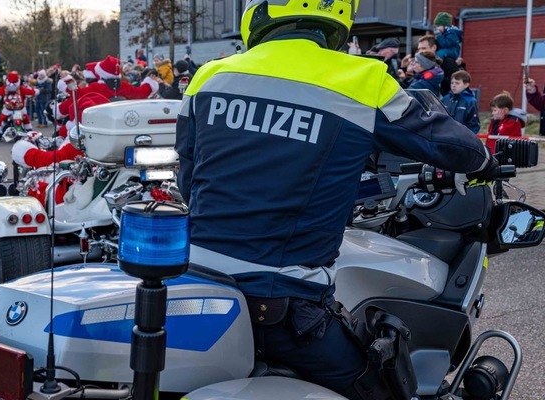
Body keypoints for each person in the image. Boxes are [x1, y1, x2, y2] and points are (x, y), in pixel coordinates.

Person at [175, 0, 496, 398]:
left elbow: (190, 181)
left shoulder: (209, 76)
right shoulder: (361, 78)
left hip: (196, 288)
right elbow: (454, 147)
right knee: (384, 388)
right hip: (284, 308)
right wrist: (486, 159)